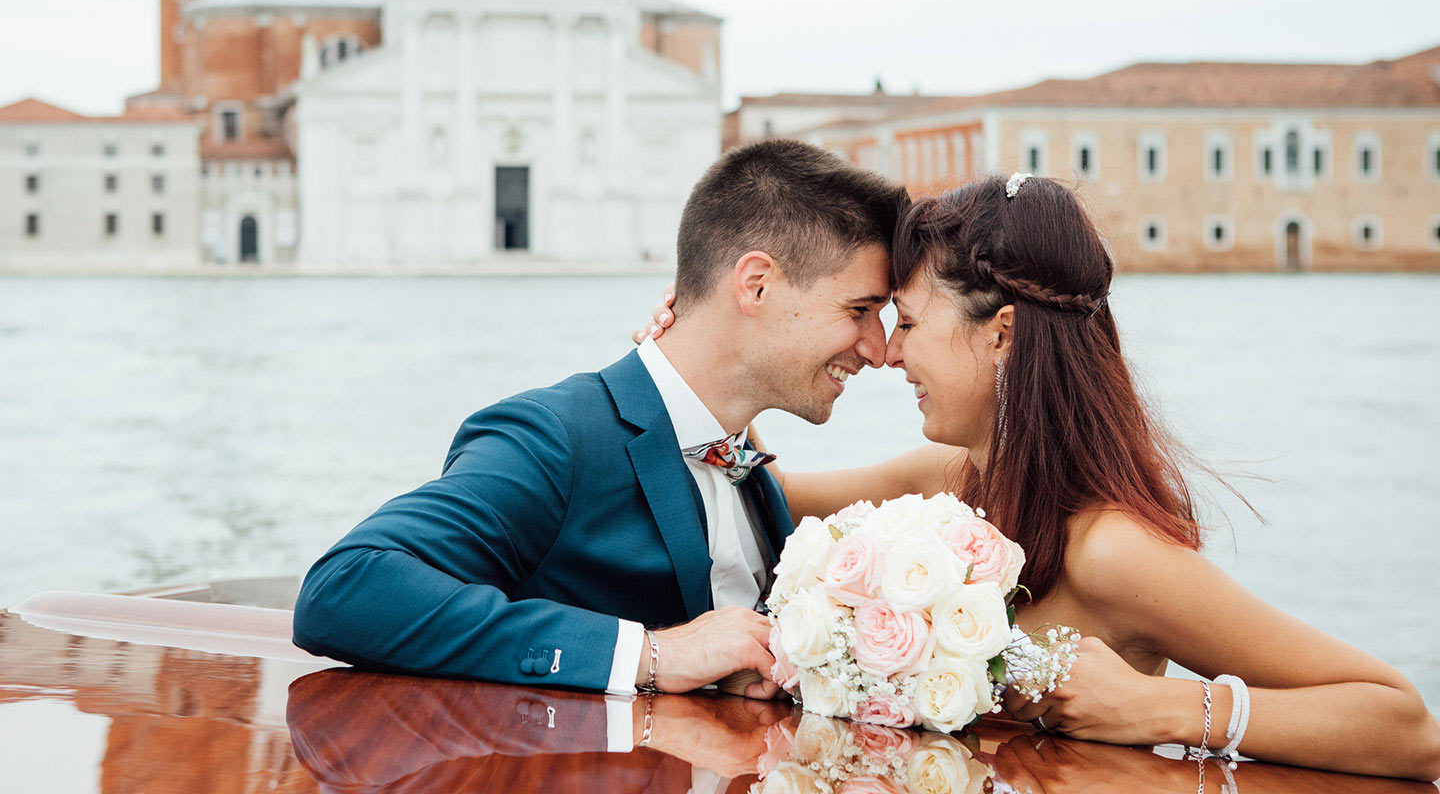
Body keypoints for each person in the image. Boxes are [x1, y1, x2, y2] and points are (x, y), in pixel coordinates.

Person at [643, 173, 1440, 781]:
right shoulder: (956, 480)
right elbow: (760, 490)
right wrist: (699, 360)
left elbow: (1407, 725)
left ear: (1003, 336)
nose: (889, 355)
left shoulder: (1111, 550)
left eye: (911, 325)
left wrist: (1163, 708)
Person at [292, 139, 955, 698]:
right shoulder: (560, 437)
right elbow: (345, 588)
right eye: (859, 310)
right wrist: (651, 656)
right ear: (755, 285)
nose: (876, 349)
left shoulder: (741, 451)